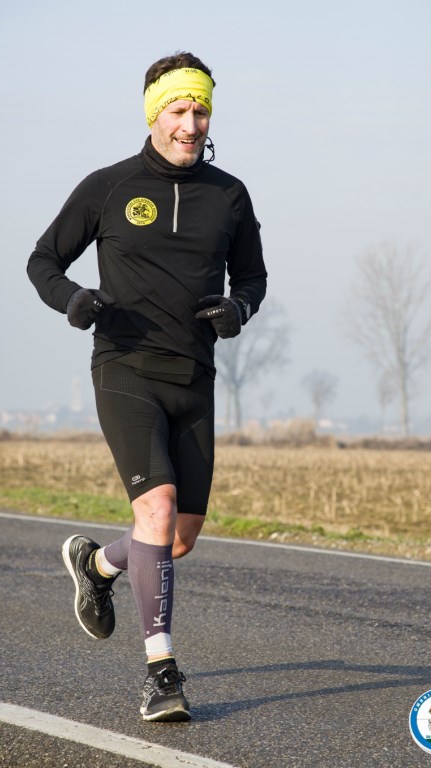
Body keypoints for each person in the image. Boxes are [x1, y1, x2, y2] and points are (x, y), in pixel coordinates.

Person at [27, 51, 267, 722]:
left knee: (177, 539)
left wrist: (239, 309)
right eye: (179, 110)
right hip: (125, 369)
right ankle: (162, 674)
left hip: (194, 377)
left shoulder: (230, 195)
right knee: (156, 511)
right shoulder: (109, 187)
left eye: (201, 110)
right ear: (155, 115)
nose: (191, 124)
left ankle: (98, 567)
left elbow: (253, 278)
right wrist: (73, 299)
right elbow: (43, 260)